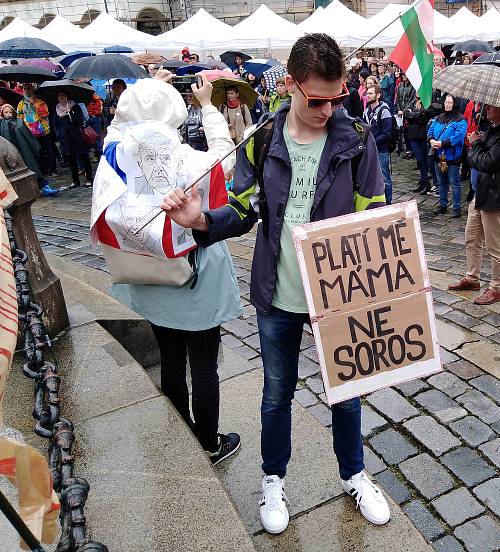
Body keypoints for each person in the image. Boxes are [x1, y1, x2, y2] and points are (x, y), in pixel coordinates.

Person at [159, 33, 390, 535]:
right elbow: (243, 209)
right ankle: (273, 479)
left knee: (347, 393)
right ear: (291, 86)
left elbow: (373, 212)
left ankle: (354, 473)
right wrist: (201, 219)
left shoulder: (358, 140)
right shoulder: (265, 139)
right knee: (276, 393)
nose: (328, 109)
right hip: (278, 293)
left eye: (337, 98)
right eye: (317, 99)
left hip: (338, 297)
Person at [103, 71, 243, 466]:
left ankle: (179, 430)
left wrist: (142, 91)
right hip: (193, 274)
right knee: (203, 364)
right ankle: (209, 443)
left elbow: (116, 128)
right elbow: (226, 153)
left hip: (150, 272)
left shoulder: (115, 154)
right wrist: (210, 106)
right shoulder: (191, 161)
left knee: (170, 358)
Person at [449, 104, 500, 304]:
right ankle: (472, 277)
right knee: (472, 238)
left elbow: (485, 162)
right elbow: (479, 161)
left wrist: (475, 145)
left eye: (492, 106)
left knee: (495, 246)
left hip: (496, 195)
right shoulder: (493, 129)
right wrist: (478, 147)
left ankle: (496, 288)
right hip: (481, 192)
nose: (487, 108)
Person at [0, 104, 58, 196]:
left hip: (25, 150)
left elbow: (28, 135)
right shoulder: (0, 124)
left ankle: (45, 188)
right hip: (10, 153)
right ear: (2, 113)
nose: (8, 114)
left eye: (10, 112)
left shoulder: (19, 121)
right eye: (6, 112)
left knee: (33, 169)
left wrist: (35, 147)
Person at [427, 94, 468, 217]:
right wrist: (431, 140)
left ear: (454, 104)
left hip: (452, 157)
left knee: (454, 183)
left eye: (450, 102)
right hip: (438, 156)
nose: (447, 104)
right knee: (441, 182)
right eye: (446, 102)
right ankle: (443, 204)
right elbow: (430, 131)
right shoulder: (439, 117)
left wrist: (442, 143)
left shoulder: (460, 120)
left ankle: (456, 207)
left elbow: (458, 137)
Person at [52, 91, 92, 189]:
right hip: (65, 138)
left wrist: (70, 113)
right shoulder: (57, 109)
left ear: (67, 96)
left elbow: (79, 121)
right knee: (71, 160)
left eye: (63, 96)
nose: (62, 98)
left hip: (77, 136)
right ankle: (75, 181)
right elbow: (56, 123)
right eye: (60, 96)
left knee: (84, 157)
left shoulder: (75, 107)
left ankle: (89, 179)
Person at [363, 83, 394, 204]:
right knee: (371, 178)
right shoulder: (366, 112)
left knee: (385, 178)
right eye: (367, 93)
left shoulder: (384, 111)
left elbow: (387, 134)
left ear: (378, 95)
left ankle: (388, 203)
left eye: (370, 93)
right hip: (369, 151)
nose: (367, 95)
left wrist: (372, 142)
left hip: (381, 151)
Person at [17, 85, 56, 176]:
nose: (27, 91)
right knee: (38, 152)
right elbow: (20, 116)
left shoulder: (40, 102)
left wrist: (34, 105)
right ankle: (43, 169)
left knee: (49, 150)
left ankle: (53, 169)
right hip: (31, 132)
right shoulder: (21, 104)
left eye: (29, 89)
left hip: (44, 131)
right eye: (25, 89)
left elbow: (45, 114)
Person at [404, 97, 432, 194]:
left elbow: (424, 118)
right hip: (412, 134)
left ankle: (425, 182)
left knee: (423, 159)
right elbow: (407, 114)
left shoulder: (427, 101)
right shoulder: (412, 101)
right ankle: (424, 181)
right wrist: (418, 114)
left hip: (422, 135)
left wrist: (414, 115)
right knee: (419, 160)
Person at [220, 84, 252, 150]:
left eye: (232, 93)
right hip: (226, 141)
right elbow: (218, 122)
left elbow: (249, 124)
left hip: (241, 142)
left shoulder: (243, 107)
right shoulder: (222, 107)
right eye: (228, 93)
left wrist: (243, 136)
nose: (229, 95)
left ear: (237, 94)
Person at [86, 90, 104, 158]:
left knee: (95, 137)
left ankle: (100, 154)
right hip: (89, 118)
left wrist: (93, 115)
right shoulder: (83, 97)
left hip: (94, 118)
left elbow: (99, 107)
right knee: (90, 137)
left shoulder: (95, 97)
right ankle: (97, 154)